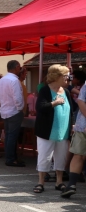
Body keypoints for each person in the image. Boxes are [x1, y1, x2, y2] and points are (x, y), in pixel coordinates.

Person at [33, 65, 73, 194]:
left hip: (63, 131)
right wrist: (55, 103)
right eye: (66, 76)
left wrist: (72, 125)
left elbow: (71, 111)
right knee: (45, 157)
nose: (69, 79)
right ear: (58, 77)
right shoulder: (45, 90)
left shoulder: (66, 92)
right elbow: (40, 107)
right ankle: (41, 182)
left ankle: (59, 182)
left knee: (61, 157)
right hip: (47, 131)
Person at [0, 60, 25, 167]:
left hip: (5, 110)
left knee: (9, 136)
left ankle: (10, 157)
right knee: (12, 136)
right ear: (16, 67)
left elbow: (0, 96)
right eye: (19, 68)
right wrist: (20, 109)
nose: (20, 69)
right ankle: (11, 159)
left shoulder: (2, 80)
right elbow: (17, 98)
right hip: (14, 111)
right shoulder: (14, 80)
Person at [61, 80, 86, 198]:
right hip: (82, 126)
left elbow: (81, 101)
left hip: (83, 126)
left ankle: (71, 185)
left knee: (78, 155)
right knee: (78, 155)